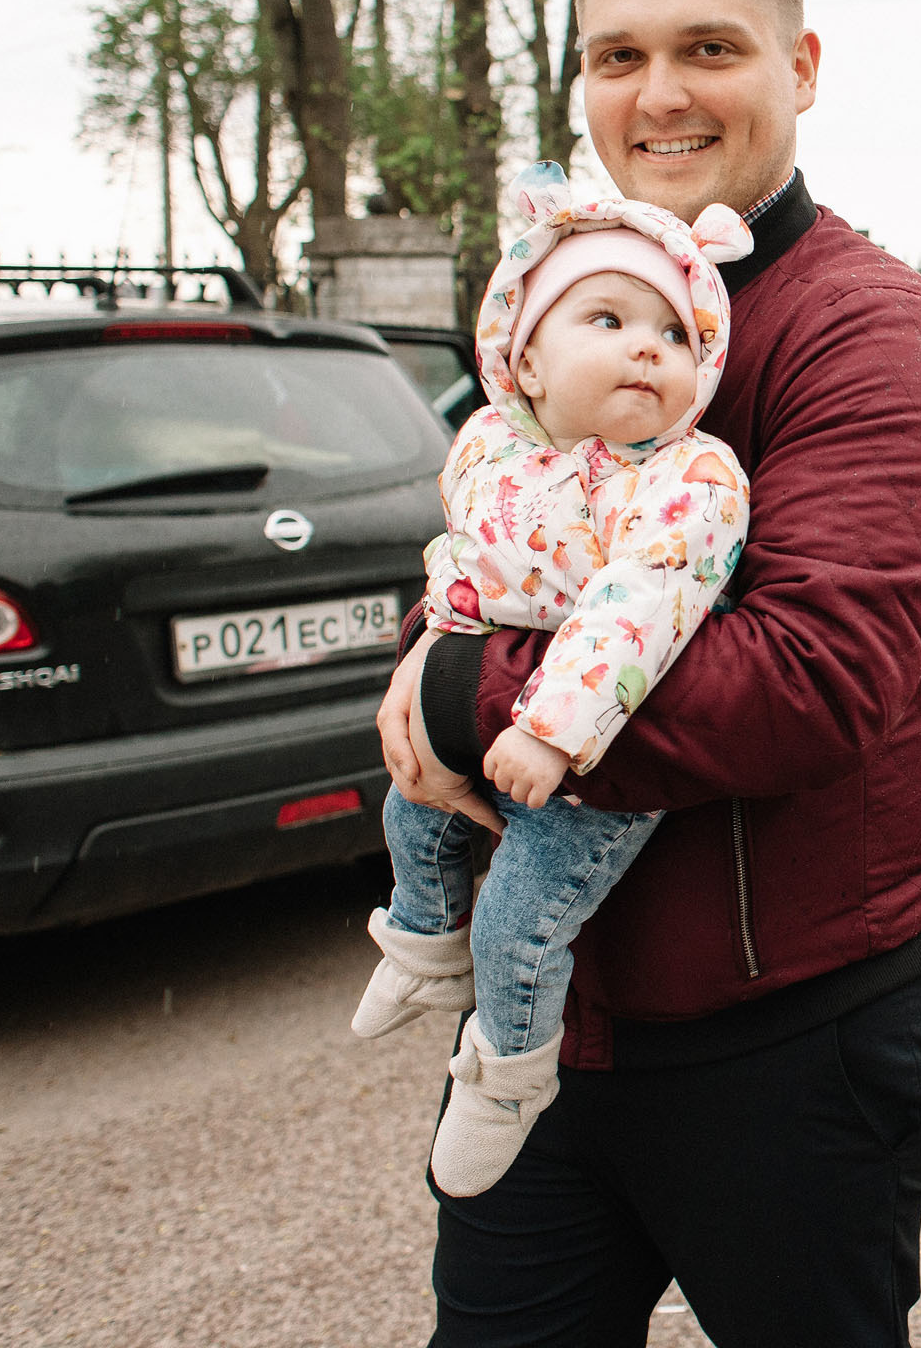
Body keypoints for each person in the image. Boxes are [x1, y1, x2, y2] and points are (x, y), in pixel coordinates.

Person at [374, 0, 921, 1346]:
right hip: (549, 1015)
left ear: (803, 67)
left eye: (710, 47)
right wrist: (433, 650)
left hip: (790, 1032)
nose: (658, 95)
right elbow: (493, 545)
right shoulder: (576, 304)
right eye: (615, 56)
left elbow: (804, 684)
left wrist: (460, 695)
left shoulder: (870, 334)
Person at [353, 181, 752, 1198]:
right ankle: (419, 935)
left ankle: (509, 1074)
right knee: (411, 814)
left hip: (601, 747)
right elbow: (465, 555)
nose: (646, 347)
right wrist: (429, 640)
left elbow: (642, 603)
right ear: (527, 354)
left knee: (521, 918)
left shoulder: (685, 477)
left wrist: (549, 729)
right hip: (490, 698)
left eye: (673, 332)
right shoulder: (495, 448)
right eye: (607, 319)